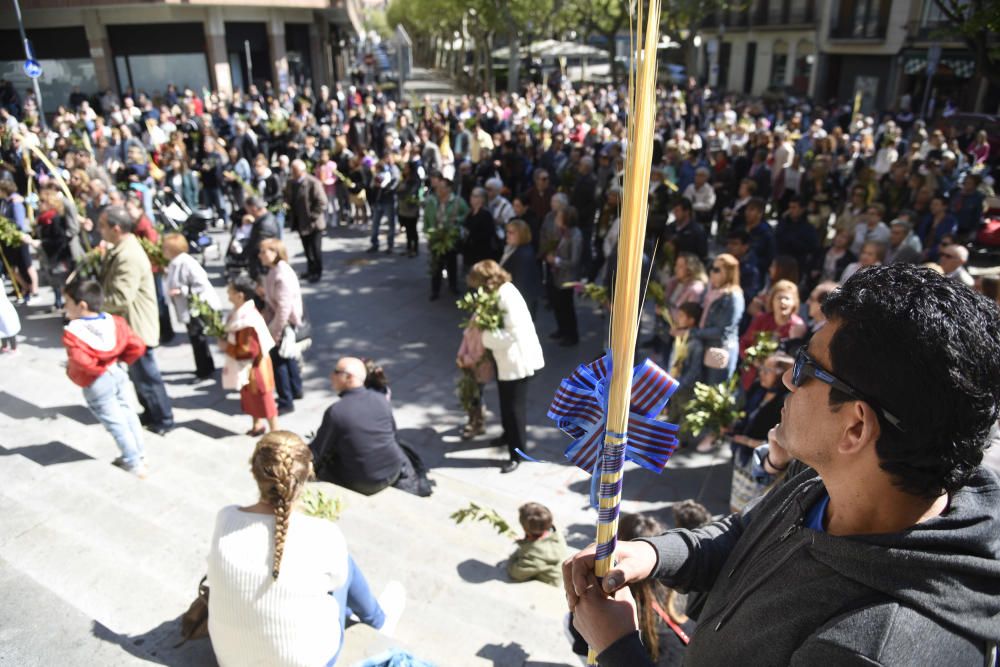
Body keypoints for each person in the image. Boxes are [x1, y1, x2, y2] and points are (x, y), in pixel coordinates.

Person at [565, 264, 1000, 666]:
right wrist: (651, 553)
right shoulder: (828, 476)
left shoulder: (877, 648)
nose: (789, 378)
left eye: (808, 366)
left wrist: (617, 648)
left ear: (855, 427)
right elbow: (744, 533)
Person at [208, 432, 405, 666]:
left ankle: (375, 618)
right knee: (345, 566)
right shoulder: (322, 532)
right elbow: (338, 582)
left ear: (254, 471)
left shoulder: (226, 518)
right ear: (307, 475)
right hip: (309, 661)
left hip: (231, 660)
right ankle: (378, 620)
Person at [97, 205, 174, 434]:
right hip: (130, 326)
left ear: (116, 228)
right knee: (138, 376)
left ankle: (163, 418)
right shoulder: (121, 248)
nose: (100, 230)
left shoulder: (128, 254)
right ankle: (151, 412)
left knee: (147, 376)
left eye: (103, 226)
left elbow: (121, 296)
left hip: (137, 326)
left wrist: (92, 306)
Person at [62, 280, 147, 477]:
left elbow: (81, 362)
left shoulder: (74, 332)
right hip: (117, 371)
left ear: (81, 305)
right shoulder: (115, 321)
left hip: (97, 381)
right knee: (127, 413)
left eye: (67, 301)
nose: (65, 306)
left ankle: (132, 461)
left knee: (115, 422)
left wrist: (85, 370)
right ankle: (139, 454)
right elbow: (137, 346)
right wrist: (117, 360)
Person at [472, 260, 545, 473]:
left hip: (516, 362)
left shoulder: (506, 295)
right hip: (506, 360)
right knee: (505, 402)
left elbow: (512, 334)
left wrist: (484, 336)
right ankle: (507, 435)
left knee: (515, 409)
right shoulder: (500, 292)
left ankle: (518, 453)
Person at [309, 357, 416, 495]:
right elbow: (393, 435)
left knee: (323, 469)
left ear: (349, 377)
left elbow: (317, 451)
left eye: (336, 372)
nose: (331, 375)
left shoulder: (336, 411)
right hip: (392, 470)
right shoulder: (381, 399)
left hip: (364, 482)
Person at [727, 352, 793, 513]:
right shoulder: (759, 388)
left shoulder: (787, 402)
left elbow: (782, 442)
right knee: (735, 503)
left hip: (762, 463)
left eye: (767, 370)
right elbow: (746, 414)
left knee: (749, 511)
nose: (761, 373)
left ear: (782, 375)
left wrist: (747, 441)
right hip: (742, 456)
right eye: (761, 368)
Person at [220, 275, 278, 436]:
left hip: (256, 366)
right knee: (249, 397)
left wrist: (227, 347)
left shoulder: (247, 320)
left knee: (264, 399)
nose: (227, 294)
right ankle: (257, 425)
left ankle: (275, 432)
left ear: (240, 295)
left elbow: (249, 350)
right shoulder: (240, 312)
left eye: (230, 291)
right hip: (247, 367)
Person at [163, 233, 219, 381]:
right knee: (196, 339)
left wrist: (181, 290)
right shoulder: (175, 262)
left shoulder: (186, 262)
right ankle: (204, 368)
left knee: (198, 339)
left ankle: (204, 370)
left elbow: (200, 283)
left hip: (195, 308)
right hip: (189, 307)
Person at [258, 238, 305, 413]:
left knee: (278, 362)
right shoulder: (275, 270)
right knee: (288, 357)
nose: (260, 255)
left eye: (264, 252)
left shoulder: (281, 275)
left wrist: (275, 333)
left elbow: (284, 309)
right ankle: (296, 389)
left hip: (283, 324)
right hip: (282, 321)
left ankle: (286, 400)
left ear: (275, 253)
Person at [684, 253, 743, 386]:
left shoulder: (734, 297)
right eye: (711, 268)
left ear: (728, 273)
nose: (711, 272)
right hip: (704, 346)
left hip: (718, 352)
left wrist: (691, 333)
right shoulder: (711, 290)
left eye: (716, 270)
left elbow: (723, 331)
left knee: (710, 395)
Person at [423, 177, 469, 300]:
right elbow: (426, 217)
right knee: (436, 265)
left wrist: (457, 220)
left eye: (441, 187)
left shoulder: (458, 201)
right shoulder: (432, 201)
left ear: (449, 188)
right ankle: (435, 290)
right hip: (436, 237)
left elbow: (467, 214)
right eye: (437, 187)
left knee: (451, 263)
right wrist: (427, 232)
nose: (438, 189)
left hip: (450, 237)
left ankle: (453, 286)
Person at [285, 158, 328, 282]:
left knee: (315, 249)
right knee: (307, 248)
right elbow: (288, 197)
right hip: (300, 222)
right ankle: (310, 270)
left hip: (313, 224)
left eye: (294, 170)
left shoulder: (313, 182)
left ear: (302, 171)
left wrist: (312, 216)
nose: (292, 172)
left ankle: (317, 272)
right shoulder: (291, 183)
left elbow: (322, 202)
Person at [546, 206, 583, 347]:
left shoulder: (576, 235)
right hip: (557, 275)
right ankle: (562, 330)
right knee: (558, 305)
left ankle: (572, 335)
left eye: (559, 216)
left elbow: (574, 261)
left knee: (567, 307)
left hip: (567, 278)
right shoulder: (562, 232)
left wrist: (556, 261)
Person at [507, 502, 567, 587]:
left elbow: (515, 573)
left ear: (525, 529)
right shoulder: (555, 532)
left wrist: (513, 556)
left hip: (548, 585)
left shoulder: (533, 556)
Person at [499, 219, 542, 317]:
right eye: (507, 232)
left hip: (522, 300)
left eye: (511, 232)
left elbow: (521, 284)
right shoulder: (514, 248)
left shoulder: (523, 254)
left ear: (521, 235)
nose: (507, 235)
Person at [367, 154, 400, 254]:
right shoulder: (381, 169)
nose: (388, 160)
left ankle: (390, 245)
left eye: (390, 158)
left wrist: (385, 187)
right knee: (375, 223)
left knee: (391, 224)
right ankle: (374, 243)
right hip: (379, 200)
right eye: (387, 158)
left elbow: (394, 183)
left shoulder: (394, 170)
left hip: (389, 200)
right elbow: (373, 184)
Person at [462, 187, 500, 269]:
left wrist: (472, 236)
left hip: (480, 255)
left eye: (475, 196)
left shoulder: (486, 214)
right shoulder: (470, 212)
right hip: (469, 254)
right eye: (471, 195)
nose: (471, 198)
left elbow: (488, 234)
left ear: (482, 199)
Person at [243, 196, 280, 280]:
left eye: (247, 209)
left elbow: (257, 248)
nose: (247, 212)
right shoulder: (265, 219)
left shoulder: (265, 225)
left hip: (263, 269)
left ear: (254, 208)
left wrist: (243, 253)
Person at [397, 160, 424, 258]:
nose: (404, 169)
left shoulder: (415, 180)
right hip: (403, 208)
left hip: (411, 208)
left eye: (406, 167)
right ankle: (408, 248)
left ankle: (415, 249)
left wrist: (403, 193)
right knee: (408, 229)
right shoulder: (404, 178)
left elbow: (410, 192)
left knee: (412, 229)